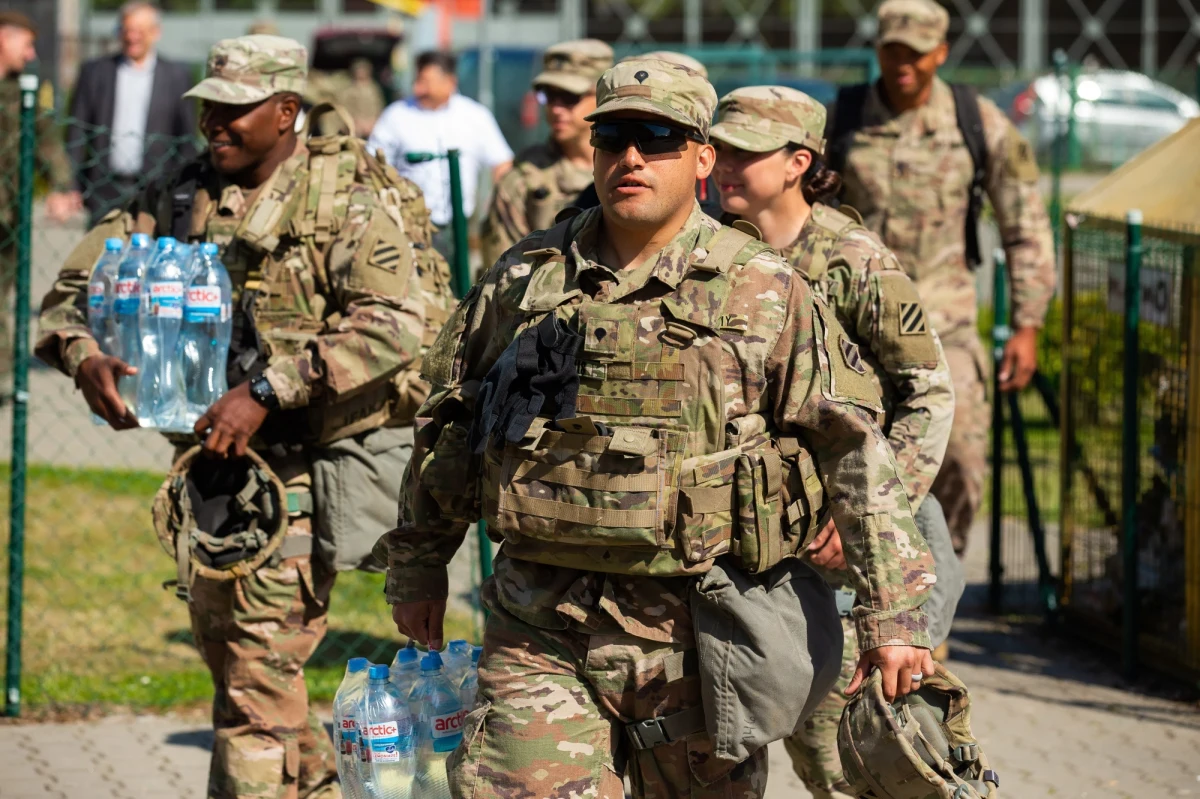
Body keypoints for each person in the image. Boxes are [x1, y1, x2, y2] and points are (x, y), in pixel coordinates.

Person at [382, 57, 937, 798]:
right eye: (613, 136)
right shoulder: (524, 280)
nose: (631, 157)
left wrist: (892, 614)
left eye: (659, 138)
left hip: (702, 634)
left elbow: (854, 450)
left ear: (703, 157)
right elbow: (448, 419)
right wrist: (419, 561)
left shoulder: (763, 289)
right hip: (539, 619)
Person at [36, 34, 449, 799]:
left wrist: (268, 389)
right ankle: (317, 784)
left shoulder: (342, 200)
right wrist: (81, 350)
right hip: (210, 475)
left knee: (255, 683)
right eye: (208, 110)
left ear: (287, 111)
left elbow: (399, 321)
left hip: (299, 466)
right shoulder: (181, 194)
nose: (214, 126)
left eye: (235, 110)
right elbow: (72, 287)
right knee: (234, 662)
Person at [711, 84, 960, 799]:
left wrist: (866, 517)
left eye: (745, 153)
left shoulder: (851, 259)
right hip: (749, 545)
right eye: (719, 149)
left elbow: (928, 391)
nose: (725, 165)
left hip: (847, 550)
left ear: (797, 162)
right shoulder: (712, 250)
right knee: (730, 738)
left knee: (844, 752)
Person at [826, 0, 1056, 555]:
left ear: (941, 53)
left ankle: (937, 591)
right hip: (856, 327)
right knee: (849, 462)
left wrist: (1028, 324)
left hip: (943, 321)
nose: (903, 64)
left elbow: (1025, 224)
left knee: (960, 460)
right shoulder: (846, 118)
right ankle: (863, 599)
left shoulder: (978, 122)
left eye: (916, 53)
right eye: (891, 51)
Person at [0, 10, 80, 398]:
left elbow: (47, 142)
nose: (31, 54)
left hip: (7, 218)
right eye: (25, 43)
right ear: (3, 38)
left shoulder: (23, 92)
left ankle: (4, 382)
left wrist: (63, 187)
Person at [479, 39, 612, 269]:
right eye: (549, 95)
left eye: (570, 96)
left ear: (602, 96)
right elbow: (502, 274)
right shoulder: (524, 179)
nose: (556, 108)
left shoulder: (632, 166)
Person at [368, 50, 513, 260]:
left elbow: (502, 162)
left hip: (461, 222)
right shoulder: (396, 116)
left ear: (450, 82)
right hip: (411, 221)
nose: (418, 88)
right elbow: (372, 164)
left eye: (426, 82)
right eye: (417, 80)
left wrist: (495, 206)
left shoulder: (474, 116)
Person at [66, 1, 197, 225]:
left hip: (157, 187)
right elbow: (77, 131)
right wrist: (70, 186)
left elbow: (186, 139)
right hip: (104, 187)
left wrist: (183, 186)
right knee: (101, 253)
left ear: (155, 33)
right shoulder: (95, 72)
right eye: (126, 30)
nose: (131, 37)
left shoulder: (177, 76)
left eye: (139, 31)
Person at [341, 57, 385, 138]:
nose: (361, 72)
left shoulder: (374, 88)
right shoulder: (350, 90)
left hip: (372, 124)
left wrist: (373, 121)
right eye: (359, 69)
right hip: (355, 125)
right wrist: (357, 122)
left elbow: (379, 106)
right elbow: (345, 110)